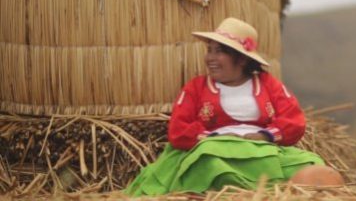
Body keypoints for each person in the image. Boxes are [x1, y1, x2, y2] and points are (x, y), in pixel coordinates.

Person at [126, 17, 324, 195]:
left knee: (313, 166)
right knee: (208, 163)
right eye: (209, 50)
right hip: (215, 151)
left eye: (219, 52)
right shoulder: (196, 88)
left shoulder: (268, 84)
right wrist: (219, 139)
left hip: (263, 151)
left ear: (241, 58)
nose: (210, 58)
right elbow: (179, 130)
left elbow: (294, 121)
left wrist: (263, 136)